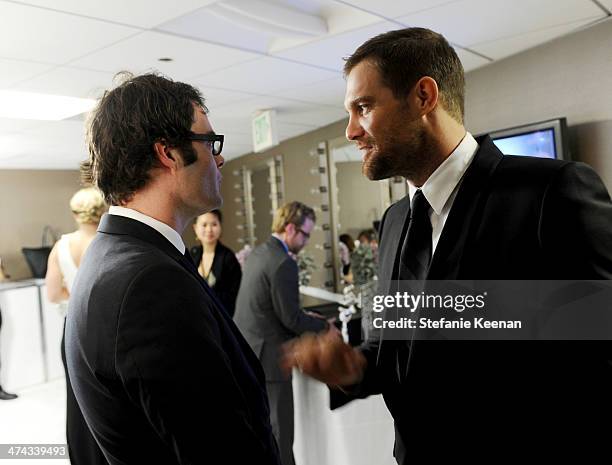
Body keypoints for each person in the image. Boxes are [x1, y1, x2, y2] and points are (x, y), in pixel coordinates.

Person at [283, 27, 612, 462]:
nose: (350, 131)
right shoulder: (396, 222)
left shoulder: (550, 192)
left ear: (423, 96)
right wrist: (355, 368)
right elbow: (395, 346)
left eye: (363, 107)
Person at [65, 73, 280, 465]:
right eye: (209, 142)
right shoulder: (150, 283)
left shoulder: (112, 253)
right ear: (168, 153)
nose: (219, 158)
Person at [234, 201, 330, 465]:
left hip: (250, 352)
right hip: (272, 361)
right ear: (290, 228)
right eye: (306, 234)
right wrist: (323, 326)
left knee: (264, 433)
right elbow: (291, 319)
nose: (307, 241)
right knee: (281, 434)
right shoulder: (283, 263)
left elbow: (268, 307)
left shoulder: (259, 253)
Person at [45, 187, 107, 464]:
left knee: (77, 397)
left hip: (73, 331)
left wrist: (76, 293)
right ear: (102, 210)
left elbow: (54, 294)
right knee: (107, 400)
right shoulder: (108, 242)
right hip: (105, 329)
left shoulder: (61, 246)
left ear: (74, 213)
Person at [189, 210, 242, 316]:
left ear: (220, 227)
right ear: (195, 228)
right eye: (204, 225)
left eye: (214, 224)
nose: (209, 229)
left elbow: (234, 295)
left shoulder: (228, 257)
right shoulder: (193, 254)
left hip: (221, 316)